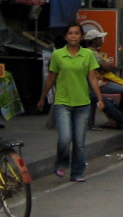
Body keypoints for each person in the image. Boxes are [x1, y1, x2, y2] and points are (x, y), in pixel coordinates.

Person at [38, 23, 105, 182]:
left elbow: (92, 78)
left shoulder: (87, 55)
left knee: (79, 142)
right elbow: (51, 78)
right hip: (63, 103)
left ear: (81, 36)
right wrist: (42, 98)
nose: (73, 36)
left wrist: (100, 98)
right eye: (70, 33)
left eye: (76, 33)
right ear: (66, 37)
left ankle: (77, 172)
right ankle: (61, 164)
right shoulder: (58, 55)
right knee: (65, 138)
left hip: (82, 103)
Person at [83, 28, 123, 128]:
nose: (102, 40)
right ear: (94, 40)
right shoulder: (91, 53)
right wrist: (107, 66)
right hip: (99, 83)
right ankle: (121, 119)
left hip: (102, 81)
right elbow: (107, 67)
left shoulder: (96, 52)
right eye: (99, 38)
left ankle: (116, 119)